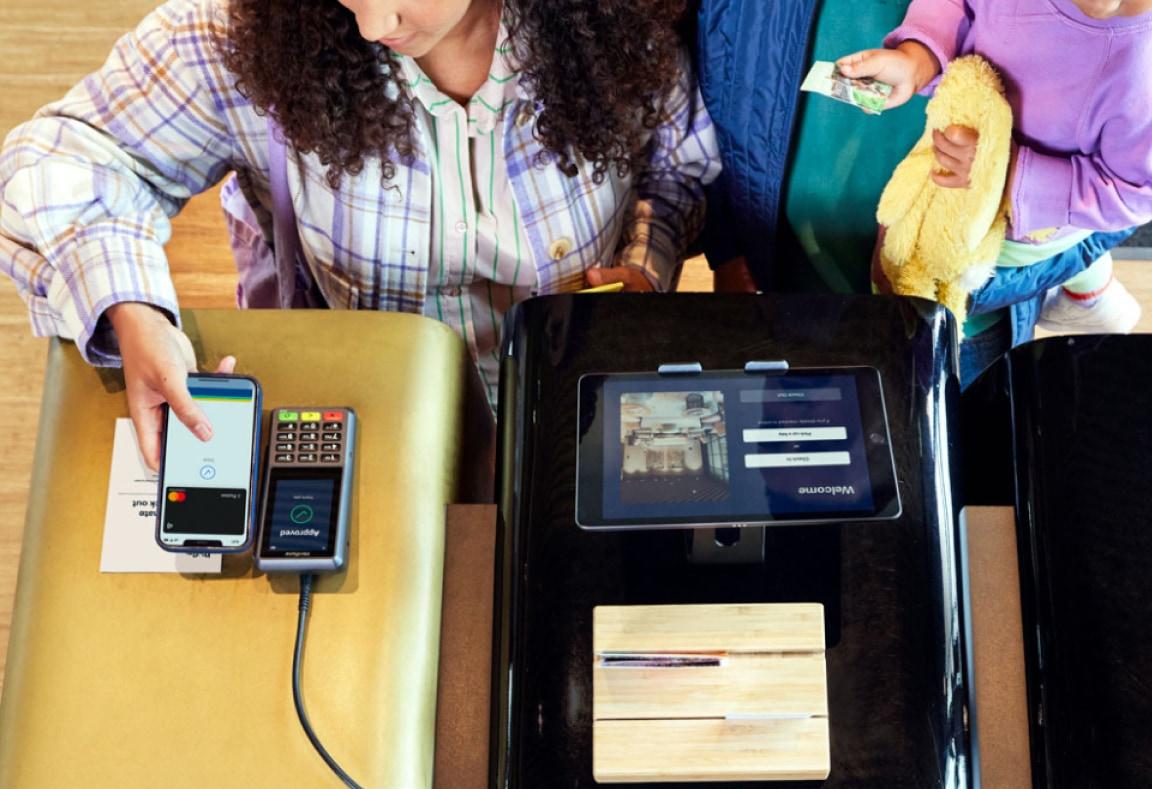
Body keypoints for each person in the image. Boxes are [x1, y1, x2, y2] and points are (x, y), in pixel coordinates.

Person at [0, 0, 719, 465]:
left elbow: (677, 163)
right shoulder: (239, 36)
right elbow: (53, 159)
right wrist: (133, 310)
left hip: (580, 420)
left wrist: (643, 264)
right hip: (364, 431)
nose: (372, 24)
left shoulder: (623, 21)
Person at [693, 0, 1137, 385]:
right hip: (785, 284)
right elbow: (699, 64)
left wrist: (1009, 195)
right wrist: (728, 244)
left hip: (961, 307)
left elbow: (1127, 197)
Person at [837, 0, 1152, 336]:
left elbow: (1134, 193)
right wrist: (917, 58)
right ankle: (1090, 280)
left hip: (1027, 227)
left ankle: (1078, 265)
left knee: (902, 282)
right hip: (960, 144)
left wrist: (1008, 173)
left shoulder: (1140, 71)